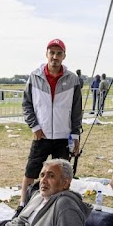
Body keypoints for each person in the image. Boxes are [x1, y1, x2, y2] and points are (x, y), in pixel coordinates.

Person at [19, 39, 82, 205]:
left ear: (64, 56)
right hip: (42, 135)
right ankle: (22, 205)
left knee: (63, 175)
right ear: (46, 54)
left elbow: (76, 110)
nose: (55, 56)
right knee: (31, 171)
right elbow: (27, 104)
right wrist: (35, 126)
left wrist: (75, 135)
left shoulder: (73, 79)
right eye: (52, 53)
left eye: (59, 53)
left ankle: (60, 206)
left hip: (63, 136)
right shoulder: (35, 77)